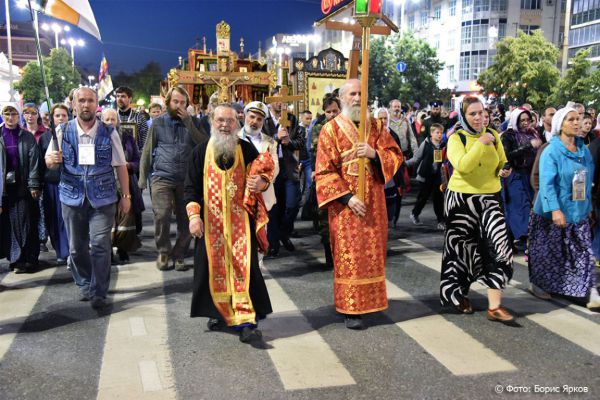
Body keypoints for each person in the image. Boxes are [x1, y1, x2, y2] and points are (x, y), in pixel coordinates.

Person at [315, 79, 403, 329]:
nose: (357, 98)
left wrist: (375, 155)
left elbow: (395, 154)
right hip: (346, 207)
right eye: (352, 93)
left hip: (374, 202)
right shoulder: (330, 130)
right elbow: (323, 172)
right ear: (342, 98)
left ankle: (371, 302)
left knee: (372, 254)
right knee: (349, 256)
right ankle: (351, 308)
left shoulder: (375, 126)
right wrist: (348, 198)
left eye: (361, 93)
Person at [185, 105, 275, 344]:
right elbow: (190, 188)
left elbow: (262, 175)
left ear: (238, 123)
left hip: (240, 225)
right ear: (211, 121)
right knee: (212, 270)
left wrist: (262, 183)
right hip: (210, 225)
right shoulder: (199, 152)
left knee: (243, 270)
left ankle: (246, 321)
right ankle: (219, 312)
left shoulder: (246, 149)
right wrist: (194, 217)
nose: (225, 125)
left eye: (230, 121)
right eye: (220, 120)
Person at [45, 87, 131, 309]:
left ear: (96, 104)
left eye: (90, 101)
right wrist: (52, 160)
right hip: (71, 198)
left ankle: (99, 290)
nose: (85, 105)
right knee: (76, 247)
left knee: (101, 245)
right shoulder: (61, 131)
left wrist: (126, 195)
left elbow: (121, 165)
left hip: (102, 198)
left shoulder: (109, 132)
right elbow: (50, 162)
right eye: (81, 101)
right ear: (73, 105)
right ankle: (84, 282)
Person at [441, 96, 515, 323]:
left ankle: (495, 305)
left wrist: (505, 169)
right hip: (461, 199)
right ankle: (457, 295)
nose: (478, 117)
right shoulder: (457, 138)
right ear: (463, 116)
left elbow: (503, 160)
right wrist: (480, 143)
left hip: (490, 198)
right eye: (472, 113)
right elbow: (462, 165)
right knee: (462, 250)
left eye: (481, 112)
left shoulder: (493, 135)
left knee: (499, 245)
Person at [528, 106, 600, 309]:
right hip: (553, 212)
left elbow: (587, 180)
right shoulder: (551, 150)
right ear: (560, 125)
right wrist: (555, 210)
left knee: (583, 252)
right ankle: (540, 284)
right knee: (548, 253)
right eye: (571, 119)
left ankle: (588, 290)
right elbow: (546, 184)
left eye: (578, 119)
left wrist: (589, 205)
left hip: (579, 210)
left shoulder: (583, 150)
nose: (577, 123)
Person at [138, 86, 208, 271]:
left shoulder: (193, 122)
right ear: (168, 102)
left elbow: (204, 144)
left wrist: (188, 123)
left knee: (187, 220)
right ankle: (163, 251)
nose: (179, 106)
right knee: (162, 215)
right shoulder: (157, 123)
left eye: (182, 103)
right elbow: (147, 150)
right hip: (162, 176)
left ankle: (179, 254)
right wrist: (142, 178)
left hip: (186, 179)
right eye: (175, 102)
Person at [0, 105, 42, 273]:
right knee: (9, 225)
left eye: (13, 114)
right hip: (4, 188)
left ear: (19, 116)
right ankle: (15, 258)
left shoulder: (26, 137)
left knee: (25, 222)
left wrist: (34, 185)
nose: (10, 117)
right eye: (7, 114)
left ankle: (25, 257)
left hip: (23, 186)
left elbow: (34, 163)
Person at [262, 90, 302, 257]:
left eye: (283, 100)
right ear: (270, 101)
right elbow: (260, 140)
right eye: (278, 99)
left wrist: (288, 142)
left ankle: (284, 234)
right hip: (271, 168)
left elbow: (300, 141)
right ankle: (273, 242)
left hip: (289, 168)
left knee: (292, 205)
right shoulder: (264, 120)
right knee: (273, 207)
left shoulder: (291, 119)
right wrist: (276, 138)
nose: (281, 102)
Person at [101, 108, 143, 263]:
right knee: (108, 220)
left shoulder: (127, 138)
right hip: (104, 185)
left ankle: (123, 249)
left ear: (118, 121)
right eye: (107, 119)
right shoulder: (97, 138)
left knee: (126, 218)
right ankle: (108, 252)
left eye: (113, 119)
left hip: (125, 185)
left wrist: (128, 165)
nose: (110, 122)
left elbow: (138, 162)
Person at [500, 108, 542, 253]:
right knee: (519, 206)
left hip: (530, 174)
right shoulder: (508, 135)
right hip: (514, 175)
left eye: (527, 120)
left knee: (530, 205)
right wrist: (528, 146)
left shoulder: (534, 133)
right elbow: (507, 155)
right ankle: (522, 238)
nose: (525, 123)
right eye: (522, 120)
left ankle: (521, 238)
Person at [310, 95, 341, 268]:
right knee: (324, 219)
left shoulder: (348, 126)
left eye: (335, 111)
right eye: (328, 112)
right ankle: (329, 256)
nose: (332, 114)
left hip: (344, 179)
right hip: (325, 177)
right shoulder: (319, 128)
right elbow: (316, 150)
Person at [39, 104, 70, 265]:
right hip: (51, 183)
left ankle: (70, 250)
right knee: (55, 219)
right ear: (51, 119)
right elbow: (40, 163)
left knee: (68, 218)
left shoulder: (72, 134)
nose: (60, 119)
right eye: (57, 116)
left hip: (70, 183)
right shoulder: (45, 137)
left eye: (64, 115)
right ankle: (60, 250)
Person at [407, 123, 446, 230]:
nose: (440, 135)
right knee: (423, 197)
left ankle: (440, 221)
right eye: (437, 132)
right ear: (431, 133)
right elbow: (417, 158)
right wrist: (404, 164)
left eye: (441, 132)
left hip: (437, 176)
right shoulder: (426, 143)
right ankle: (415, 214)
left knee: (438, 199)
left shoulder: (443, 145)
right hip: (425, 176)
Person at [115, 86, 149, 150]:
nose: (119, 99)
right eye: (117, 96)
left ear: (130, 99)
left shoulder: (139, 117)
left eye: (123, 96)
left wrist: (138, 156)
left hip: (135, 158)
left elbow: (145, 141)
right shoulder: (112, 117)